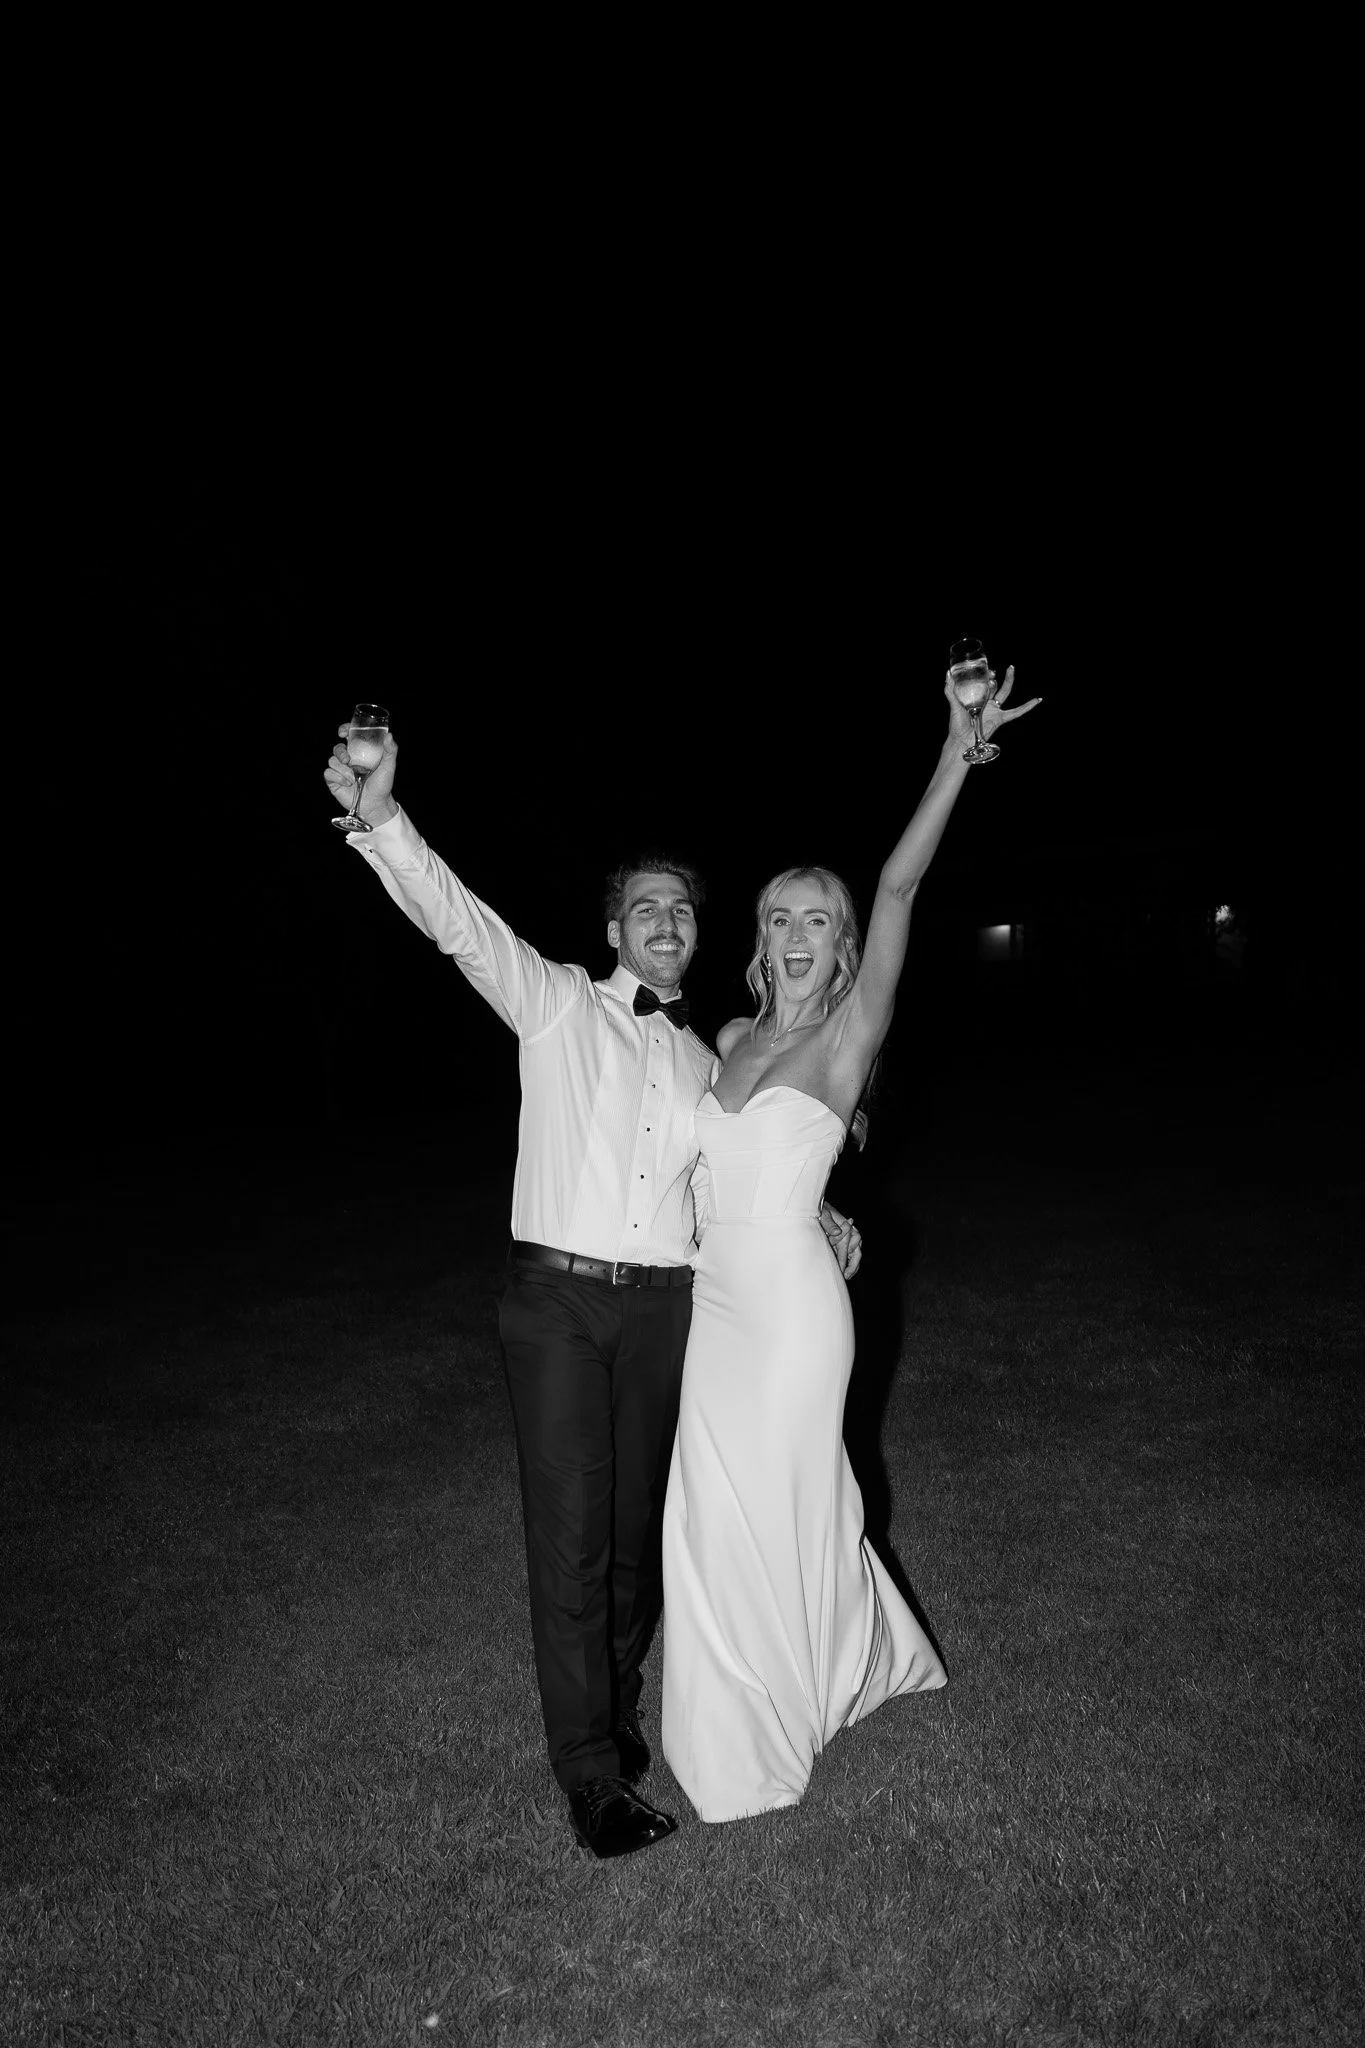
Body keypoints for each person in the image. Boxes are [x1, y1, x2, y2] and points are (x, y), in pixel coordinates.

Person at [322, 723, 861, 1859]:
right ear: (615, 930)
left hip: (669, 1308)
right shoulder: (557, 1003)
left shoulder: (712, 1054)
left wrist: (817, 1208)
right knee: (570, 1538)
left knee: (631, 1541)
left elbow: (752, 1154)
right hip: (559, 1306)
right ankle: (592, 1774)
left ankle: (615, 1712)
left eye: (684, 910)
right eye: (647, 909)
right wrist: (382, 819)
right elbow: (457, 918)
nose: (668, 924)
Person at [661, 663, 1041, 1821]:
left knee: (782, 1492)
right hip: (713, 1304)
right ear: (760, 936)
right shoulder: (723, 1033)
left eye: (817, 921)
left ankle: (790, 1698)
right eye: (779, 915)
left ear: (839, 952)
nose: (795, 934)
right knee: (711, 1503)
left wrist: (952, 753)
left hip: (791, 1309)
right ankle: (789, 1679)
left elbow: (900, 881)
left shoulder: (847, 1036)